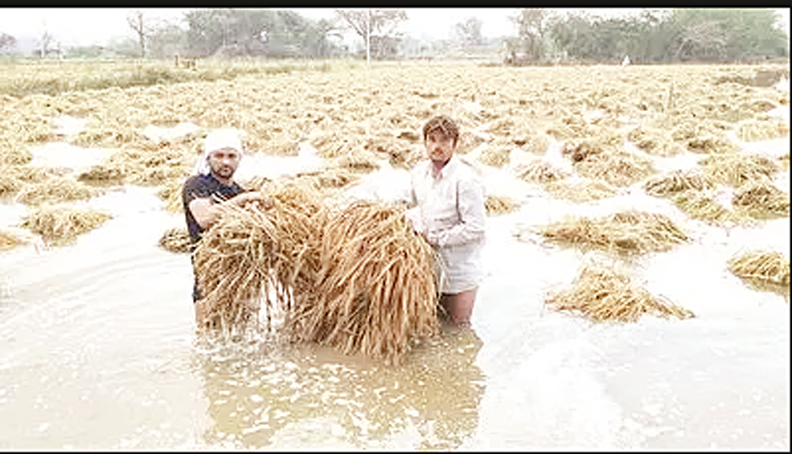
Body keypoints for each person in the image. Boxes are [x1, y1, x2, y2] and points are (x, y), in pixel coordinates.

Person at [182, 127, 268, 328]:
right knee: (208, 340)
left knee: (243, 338)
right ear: (208, 157)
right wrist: (245, 199)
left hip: (241, 280)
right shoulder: (196, 185)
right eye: (219, 155)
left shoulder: (238, 190)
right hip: (209, 279)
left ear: (239, 158)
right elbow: (204, 218)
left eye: (231, 156)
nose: (226, 161)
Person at [406, 115, 486, 328]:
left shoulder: (466, 179)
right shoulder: (418, 174)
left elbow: (476, 228)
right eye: (432, 140)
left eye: (444, 141)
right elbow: (409, 206)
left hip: (460, 270)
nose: (437, 146)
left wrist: (435, 237)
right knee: (435, 327)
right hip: (429, 268)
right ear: (425, 142)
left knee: (459, 328)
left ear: (455, 144)